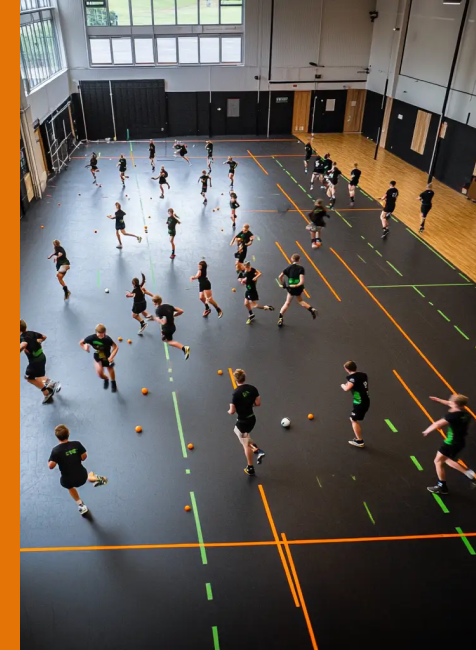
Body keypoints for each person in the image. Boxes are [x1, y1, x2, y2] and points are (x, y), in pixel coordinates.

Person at [48, 424, 107, 516]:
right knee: (89, 474)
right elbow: (84, 457)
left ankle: (81, 505)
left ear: (57, 437)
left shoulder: (56, 451)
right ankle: (99, 479)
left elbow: (51, 466)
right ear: (68, 433)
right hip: (82, 477)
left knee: (70, 487)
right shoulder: (77, 444)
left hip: (68, 481)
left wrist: (51, 460)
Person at [423, 394, 476, 494]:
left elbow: (438, 423)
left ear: (455, 404)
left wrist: (427, 431)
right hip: (460, 442)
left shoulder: (452, 416)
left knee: (438, 461)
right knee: (446, 459)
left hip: (450, 443)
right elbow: (451, 404)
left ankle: (442, 486)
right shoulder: (466, 414)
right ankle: (469, 474)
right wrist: (439, 400)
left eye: (451, 402)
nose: (449, 402)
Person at [228, 368, 265, 476]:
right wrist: (248, 404)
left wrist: (229, 411)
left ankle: (251, 466)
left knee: (245, 443)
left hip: (243, 421)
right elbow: (258, 403)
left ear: (236, 380)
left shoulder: (235, 393)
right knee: (245, 437)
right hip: (252, 419)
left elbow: (232, 411)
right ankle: (255, 448)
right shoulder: (253, 389)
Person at [20, 320, 61, 405]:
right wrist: (38, 341)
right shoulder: (31, 333)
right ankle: (50, 385)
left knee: (29, 377)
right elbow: (44, 337)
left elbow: (23, 344)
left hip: (35, 361)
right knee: (38, 376)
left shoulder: (22, 338)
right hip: (42, 357)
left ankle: (48, 390)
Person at [277, 254, 317, 327]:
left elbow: (280, 277)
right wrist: (296, 285)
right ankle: (311, 309)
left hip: (291, 289)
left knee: (287, 303)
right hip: (298, 289)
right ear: (299, 260)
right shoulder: (301, 268)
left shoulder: (288, 268)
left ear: (292, 259)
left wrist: (283, 284)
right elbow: (301, 282)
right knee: (300, 301)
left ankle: (280, 318)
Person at [79, 324, 118, 392]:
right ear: (96, 332)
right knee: (100, 374)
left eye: (102, 334)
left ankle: (113, 382)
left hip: (106, 356)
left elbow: (116, 347)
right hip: (98, 356)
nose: (101, 336)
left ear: (105, 333)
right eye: (99, 334)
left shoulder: (107, 339)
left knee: (110, 369)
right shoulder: (91, 338)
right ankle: (106, 378)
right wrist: (85, 348)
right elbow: (81, 343)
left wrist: (111, 357)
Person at [340, 360, 370, 448]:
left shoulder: (353, 379)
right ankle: (358, 437)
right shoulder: (363, 375)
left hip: (360, 402)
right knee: (354, 418)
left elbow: (346, 388)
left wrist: (342, 385)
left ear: (346, 369)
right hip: (366, 400)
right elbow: (355, 381)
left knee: (353, 419)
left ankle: (359, 441)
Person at [151, 295, 190, 360]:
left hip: (167, 329)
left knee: (168, 341)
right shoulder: (168, 306)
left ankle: (184, 348)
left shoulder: (158, 310)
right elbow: (181, 311)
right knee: (164, 337)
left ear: (155, 302)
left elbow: (162, 322)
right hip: (172, 327)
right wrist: (173, 315)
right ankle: (164, 335)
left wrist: (154, 318)